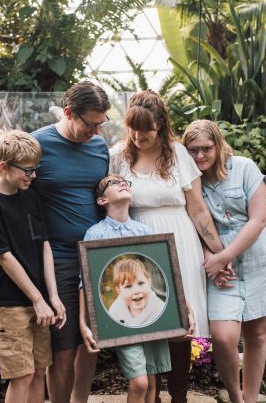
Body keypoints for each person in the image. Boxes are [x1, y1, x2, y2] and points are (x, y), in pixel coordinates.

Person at [0, 81, 111, 403]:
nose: (95, 130)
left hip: (94, 256)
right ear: (68, 113)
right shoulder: (38, 144)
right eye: (89, 123)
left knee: (92, 343)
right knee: (61, 349)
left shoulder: (99, 147)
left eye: (100, 123)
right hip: (57, 258)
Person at [109, 90, 225, 403]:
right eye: (132, 127)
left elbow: (198, 208)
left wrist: (217, 251)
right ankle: (152, 396)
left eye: (144, 129)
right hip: (139, 244)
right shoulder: (118, 154)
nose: (137, 135)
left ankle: (179, 396)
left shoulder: (178, 155)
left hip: (179, 241)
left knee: (178, 326)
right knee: (147, 321)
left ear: (160, 125)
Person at [182, 120, 266, 403]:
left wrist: (224, 256)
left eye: (206, 149)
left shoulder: (244, 168)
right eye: (193, 151)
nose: (200, 156)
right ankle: (235, 397)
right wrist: (210, 260)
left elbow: (259, 219)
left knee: (257, 335)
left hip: (256, 260)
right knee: (223, 336)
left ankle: (250, 398)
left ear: (218, 145)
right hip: (220, 270)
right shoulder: (190, 182)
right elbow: (193, 225)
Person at [80, 173, 195, 403]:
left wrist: (186, 311)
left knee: (152, 383)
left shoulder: (143, 231)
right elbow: (86, 283)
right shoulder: (96, 233)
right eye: (114, 183)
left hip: (152, 319)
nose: (122, 184)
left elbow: (167, 274)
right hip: (123, 325)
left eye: (125, 182)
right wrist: (84, 324)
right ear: (102, 200)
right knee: (140, 382)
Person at [0, 130, 66, 403]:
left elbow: (44, 245)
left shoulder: (30, 195)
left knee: (39, 371)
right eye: (27, 171)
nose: (32, 176)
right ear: (3, 167)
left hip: (39, 299)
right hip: (12, 302)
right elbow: (3, 256)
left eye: (35, 169)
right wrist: (38, 299)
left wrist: (52, 296)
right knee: (22, 375)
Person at [108, 257, 165, 327]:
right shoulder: (115, 311)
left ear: (149, 282)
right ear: (119, 291)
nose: (136, 291)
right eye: (128, 286)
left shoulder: (160, 309)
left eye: (141, 283)